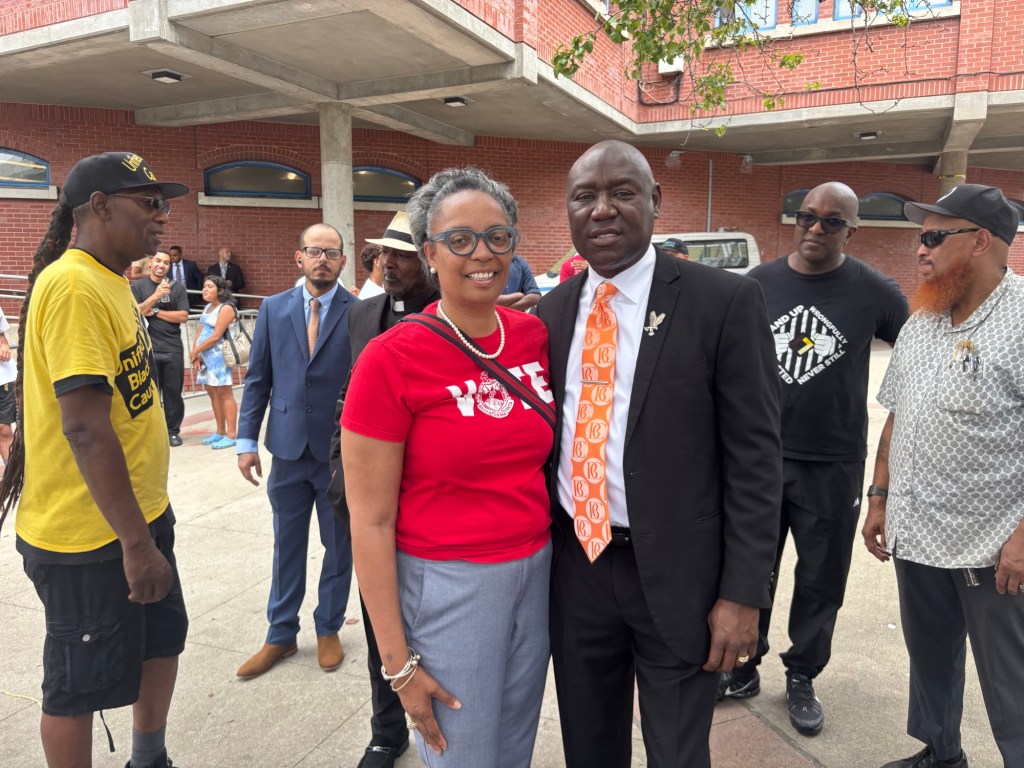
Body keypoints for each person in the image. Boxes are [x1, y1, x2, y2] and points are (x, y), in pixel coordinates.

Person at [538, 140, 782, 768]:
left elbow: (756, 460)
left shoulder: (722, 301)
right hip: (578, 568)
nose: (602, 210)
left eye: (621, 193)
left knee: (677, 752)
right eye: (585, 197)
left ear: (655, 200)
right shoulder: (552, 311)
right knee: (589, 748)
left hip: (682, 579)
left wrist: (743, 594)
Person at [342, 167, 555, 767]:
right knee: (461, 754)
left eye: (497, 236)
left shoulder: (533, 337)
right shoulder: (391, 358)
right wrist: (398, 664)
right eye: (459, 240)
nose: (482, 254)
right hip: (449, 584)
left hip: (538, 574)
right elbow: (370, 521)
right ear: (430, 253)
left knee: (513, 748)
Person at [0, 151, 189, 768]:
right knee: (75, 688)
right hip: (90, 535)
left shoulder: (111, 281)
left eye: (163, 204)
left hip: (139, 516)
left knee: (162, 642)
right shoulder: (74, 285)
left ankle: (149, 758)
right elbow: (83, 427)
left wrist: (146, 530)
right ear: (99, 206)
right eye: (149, 203)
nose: (162, 216)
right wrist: (136, 545)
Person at [719, 182, 909, 736]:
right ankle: (743, 667)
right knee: (752, 567)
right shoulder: (756, 285)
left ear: (853, 230)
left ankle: (802, 673)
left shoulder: (876, 292)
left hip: (833, 462)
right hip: (759, 459)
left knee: (822, 578)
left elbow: (918, 357)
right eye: (806, 217)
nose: (815, 229)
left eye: (832, 221)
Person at [862, 184, 1024, 768]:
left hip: (992, 545)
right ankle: (941, 752)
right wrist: (878, 496)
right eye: (920, 237)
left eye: (933, 236)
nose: (920, 250)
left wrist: (1022, 539)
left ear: (980, 241)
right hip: (918, 531)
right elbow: (897, 415)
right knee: (929, 655)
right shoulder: (923, 320)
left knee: (1012, 678)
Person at [327, 211, 439, 768]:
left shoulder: (451, 311)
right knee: (378, 618)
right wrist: (339, 478)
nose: (388, 263)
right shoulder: (362, 314)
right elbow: (348, 400)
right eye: (383, 252)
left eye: (402, 253)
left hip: (431, 498)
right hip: (370, 499)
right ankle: (385, 731)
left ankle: (442, 725)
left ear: (430, 258)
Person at [234, 223, 355, 679]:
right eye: (314, 251)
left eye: (331, 252)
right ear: (299, 257)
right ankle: (280, 633)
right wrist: (246, 441)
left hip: (338, 454)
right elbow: (258, 378)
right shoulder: (272, 308)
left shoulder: (359, 312)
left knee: (338, 546)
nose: (323, 259)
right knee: (286, 544)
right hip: (286, 449)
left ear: (343, 260)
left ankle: (328, 627)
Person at [132, 251, 191, 447]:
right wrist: (156, 296)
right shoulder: (138, 286)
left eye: (166, 263)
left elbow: (183, 316)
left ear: (169, 267)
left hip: (172, 349)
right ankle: (152, 433)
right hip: (146, 348)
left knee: (173, 393)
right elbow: (137, 312)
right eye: (158, 261)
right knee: (148, 394)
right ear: (150, 262)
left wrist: (155, 311)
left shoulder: (177, 288)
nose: (161, 265)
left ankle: (172, 431)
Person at [190, 276, 238, 449]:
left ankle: (231, 434)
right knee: (213, 393)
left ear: (220, 290)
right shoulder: (208, 307)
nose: (205, 289)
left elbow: (216, 336)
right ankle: (220, 431)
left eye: (209, 286)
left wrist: (196, 351)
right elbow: (201, 330)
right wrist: (196, 353)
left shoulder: (226, 308)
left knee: (225, 393)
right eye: (204, 286)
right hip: (205, 357)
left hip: (219, 358)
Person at [0, 306, 15, 468]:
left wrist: (4, 345)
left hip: (3, 378)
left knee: (3, 429)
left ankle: (14, 476)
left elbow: (1, 335)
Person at [168, 245, 204, 309]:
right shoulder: (167, 266)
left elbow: (199, 278)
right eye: (171, 255)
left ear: (180, 255)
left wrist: (197, 293)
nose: (172, 257)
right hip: (172, 295)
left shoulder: (190, 265)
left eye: (175, 255)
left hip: (188, 295)